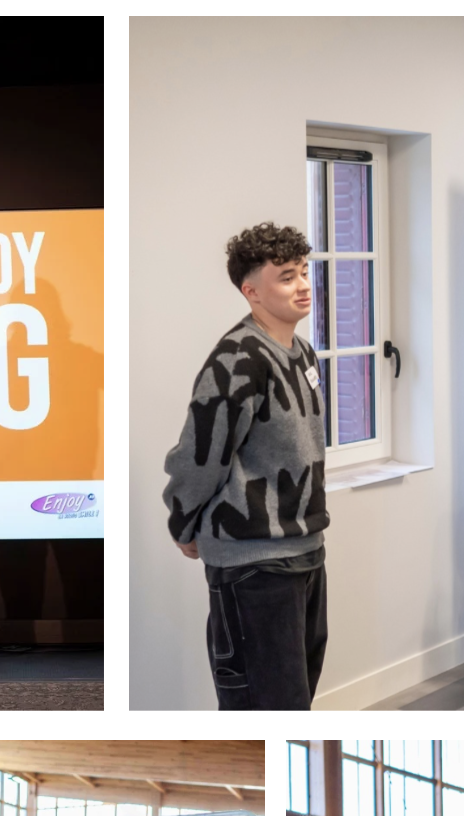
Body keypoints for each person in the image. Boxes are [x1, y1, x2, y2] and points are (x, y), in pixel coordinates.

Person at [163, 222, 328, 711]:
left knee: (295, 701)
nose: (301, 286)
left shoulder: (301, 351)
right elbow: (200, 456)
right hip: (252, 563)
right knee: (263, 708)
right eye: (285, 277)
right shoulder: (238, 360)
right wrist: (183, 521)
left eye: (303, 272)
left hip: (305, 550)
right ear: (250, 291)